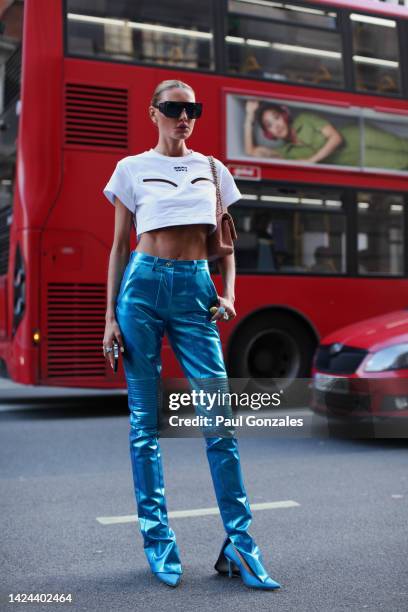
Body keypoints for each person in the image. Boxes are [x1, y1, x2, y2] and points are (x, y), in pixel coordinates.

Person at [102, 79, 281, 591]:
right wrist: (109, 317)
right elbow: (118, 247)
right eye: (175, 109)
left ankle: (242, 546)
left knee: (218, 420)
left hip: (196, 292)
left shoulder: (212, 169)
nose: (185, 117)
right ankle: (158, 541)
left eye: (192, 109)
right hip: (142, 287)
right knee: (145, 425)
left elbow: (225, 246)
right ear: (152, 113)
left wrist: (228, 295)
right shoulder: (131, 169)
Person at [244, 100, 408, 169]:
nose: (277, 125)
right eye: (270, 125)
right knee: (401, 162)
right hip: (356, 161)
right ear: (268, 133)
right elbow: (251, 152)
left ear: (284, 116)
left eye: (276, 118)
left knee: (402, 145)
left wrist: (311, 161)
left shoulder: (304, 119)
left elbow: (335, 138)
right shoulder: (286, 153)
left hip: (358, 136)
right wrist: (250, 117)